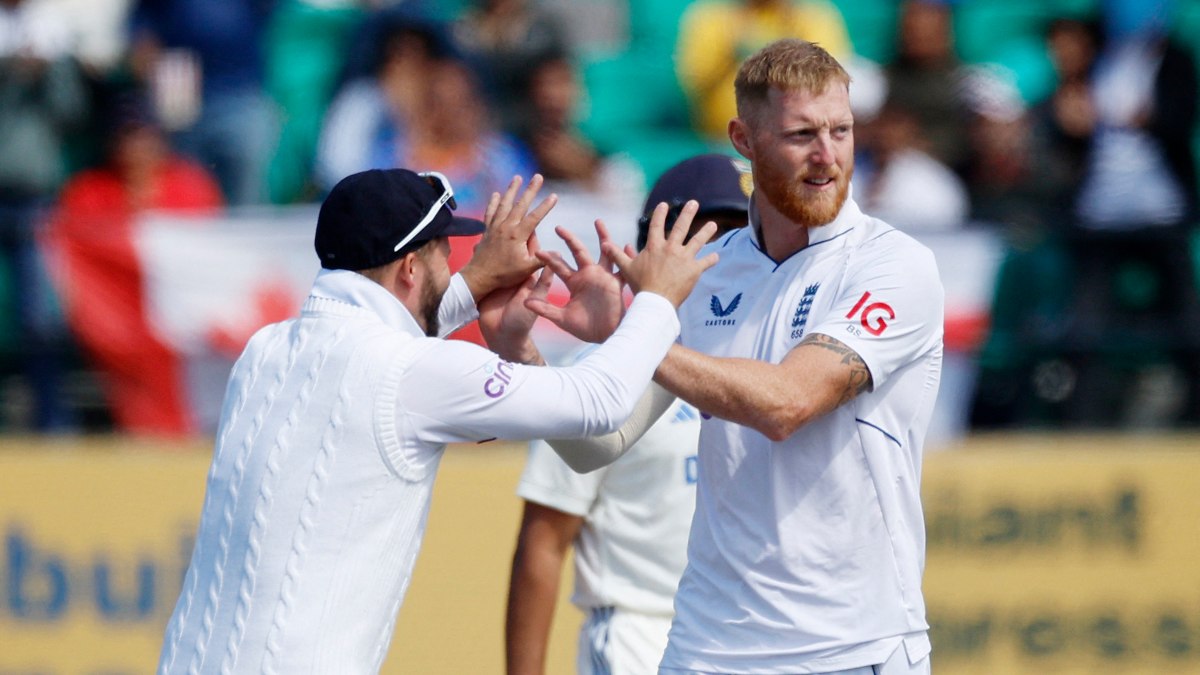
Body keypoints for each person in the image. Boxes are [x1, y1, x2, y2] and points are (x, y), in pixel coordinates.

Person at [156, 168, 720, 674]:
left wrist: (473, 287)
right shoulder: (412, 373)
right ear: (408, 267)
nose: (452, 265)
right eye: (442, 257)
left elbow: (384, 328)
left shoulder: (264, 351)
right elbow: (600, 402)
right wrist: (658, 300)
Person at [546, 39, 944, 674]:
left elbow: (788, 404)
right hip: (707, 648)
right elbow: (595, 447)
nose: (828, 156)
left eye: (841, 130)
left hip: (849, 649)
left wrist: (633, 331)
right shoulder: (704, 273)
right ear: (743, 138)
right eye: (801, 134)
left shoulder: (894, 264)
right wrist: (526, 351)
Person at [505, 154, 752, 675]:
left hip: (746, 634)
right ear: (645, 249)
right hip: (640, 635)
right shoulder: (601, 369)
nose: (720, 253)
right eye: (702, 233)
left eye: (738, 235)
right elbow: (545, 541)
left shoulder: (767, 354)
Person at [44, 92, 224, 436]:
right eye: (124, 135)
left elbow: (209, 258)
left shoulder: (190, 185)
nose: (134, 145)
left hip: (180, 318)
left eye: (142, 134)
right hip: (116, 322)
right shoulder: (87, 192)